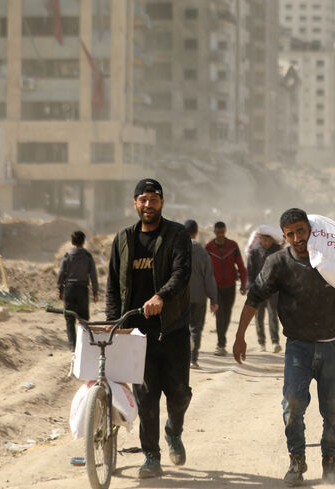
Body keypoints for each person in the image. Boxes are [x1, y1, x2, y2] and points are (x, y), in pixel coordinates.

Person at [232, 208, 335, 486]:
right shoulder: (278, 263)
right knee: (293, 405)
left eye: (301, 231)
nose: (297, 238)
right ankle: (296, 461)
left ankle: (331, 465)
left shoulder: (328, 254)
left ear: (310, 230)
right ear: (284, 237)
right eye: (290, 234)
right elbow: (255, 297)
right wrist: (240, 335)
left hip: (334, 345)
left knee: (334, 408)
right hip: (298, 346)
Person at [105, 178, 192, 479]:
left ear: (162, 203)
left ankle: (174, 429)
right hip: (138, 335)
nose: (148, 204)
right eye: (143, 199)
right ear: (135, 203)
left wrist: (161, 297)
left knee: (179, 392)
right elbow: (113, 286)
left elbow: (182, 273)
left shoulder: (177, 235)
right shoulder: (124, 239)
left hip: (173, 329)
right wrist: (113, 322)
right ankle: (151, 456)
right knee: (147, 396)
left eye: (153, 199)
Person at [206, 221, 248, 356]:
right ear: (214, 232)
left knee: (227, 314)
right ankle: (221, 344)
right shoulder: (209, 248)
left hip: (230, 286)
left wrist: (243, 284)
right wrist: (206, 287)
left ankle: (222, 337)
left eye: (222, 232)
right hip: (215, 287)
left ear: (225, 231)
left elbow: (241, 266)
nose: (220, 235)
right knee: (219, 314)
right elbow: (206, 270)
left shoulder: (233, 246)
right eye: (218, 233)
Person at [184, 219, 218, 369]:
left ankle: (182, 359)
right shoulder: (203, 252)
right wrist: (214, 299)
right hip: (199, 297)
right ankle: (193, 359)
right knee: (196, 328)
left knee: (182, 328)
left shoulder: (176, 250)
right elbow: (209, 277)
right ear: (196, 232)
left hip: (181, 298)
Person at [57, 231, 99, 351]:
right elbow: (93, 275)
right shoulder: (88, 256)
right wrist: (95, 292)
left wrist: (60, 289)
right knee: (84, 318)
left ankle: (72, 346)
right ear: (84, 242)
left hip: (69, 289)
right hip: (82, 289)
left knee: (69, 318)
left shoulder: (67, 256)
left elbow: (61, 274)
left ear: (71, 242)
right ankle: (84, 344)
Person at [246, 228, 282, 352]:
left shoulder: (277, 251)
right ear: (260, 239)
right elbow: (250, 271)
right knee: (258, 316)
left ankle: (275, 342)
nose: (267, 242)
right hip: (258, 289)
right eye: (264, 240)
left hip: (273, 290)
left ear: (272, 240)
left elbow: (282, 270)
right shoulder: (254, 252)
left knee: (273, 316)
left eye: (269, 240)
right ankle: (261, 342)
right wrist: (249, 287)